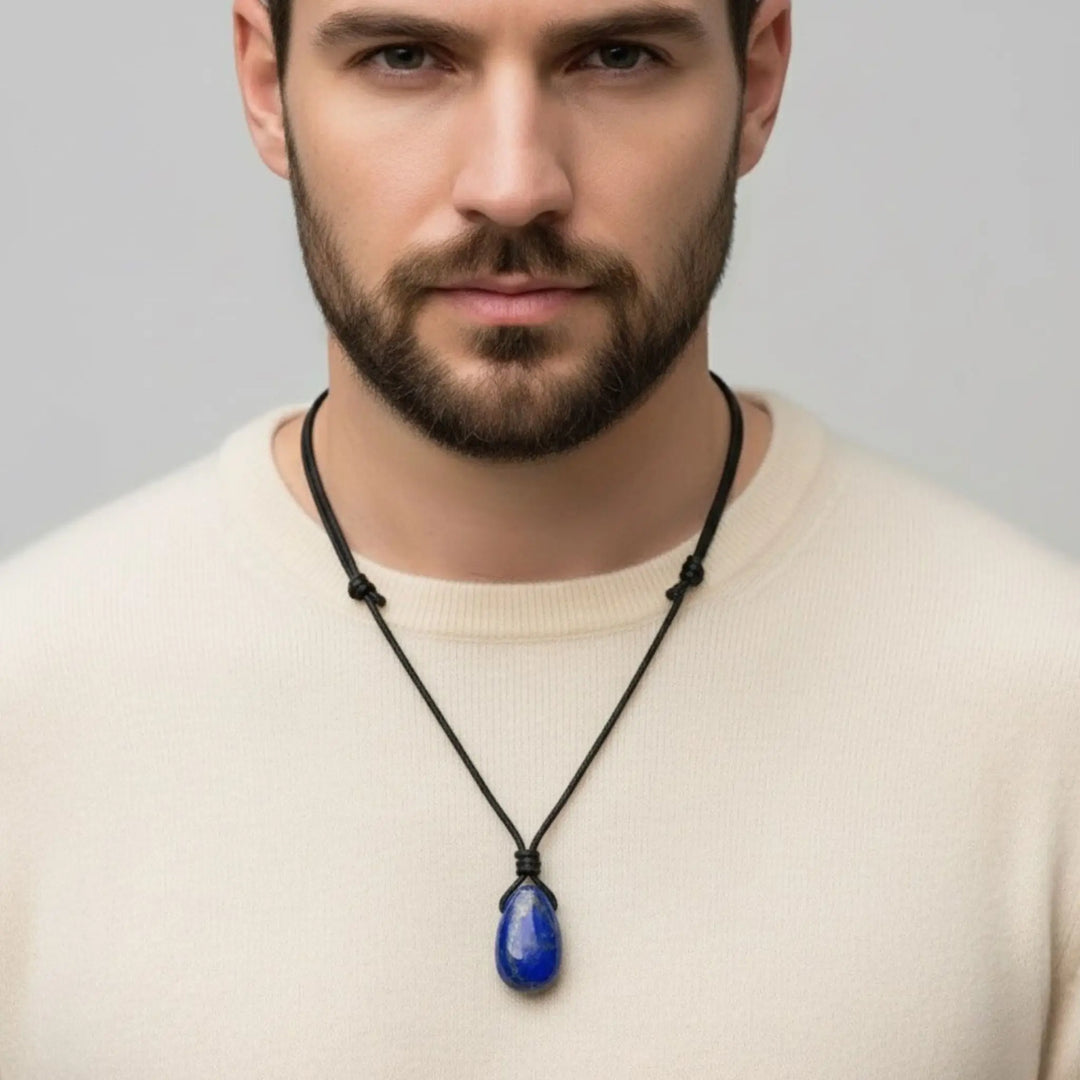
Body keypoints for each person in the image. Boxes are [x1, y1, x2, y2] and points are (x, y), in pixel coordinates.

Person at [0, 0, 1077, 1074]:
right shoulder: (28, 699)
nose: (513, 183)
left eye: (617, 57)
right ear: (263, 83)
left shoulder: (1044, 707)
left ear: (756, 83)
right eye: (405, 58)